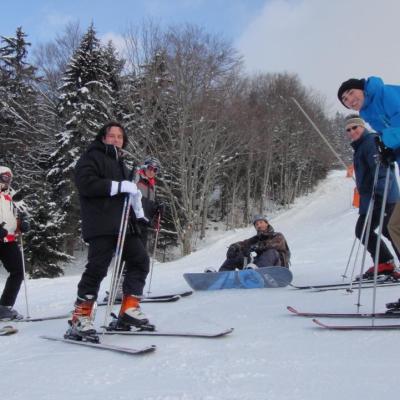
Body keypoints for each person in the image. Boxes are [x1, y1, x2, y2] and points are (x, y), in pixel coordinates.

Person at [66, 121, 151, 340]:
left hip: (125, 224)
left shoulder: (122, 162)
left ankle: (129, 309)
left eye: (120, 136)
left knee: (140, 260)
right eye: (111, 135)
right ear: (103, 138)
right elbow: (86, 184)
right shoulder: (91, 157)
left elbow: (130, 194)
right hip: (101, 223)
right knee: (97, 268)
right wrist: (117, 186)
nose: (116, 139)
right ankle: (80, 316)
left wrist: (139, 214)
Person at [344, 115, 400, 278]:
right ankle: (384, 263)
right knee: (368, 230)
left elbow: (382, 172)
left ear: (363, 127)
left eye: (355, 127)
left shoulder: (370, 142)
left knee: (386, 230)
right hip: (372, 199)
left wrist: (380, 195)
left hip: (383, 198)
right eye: (348, 130)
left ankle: (385, 263)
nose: (352, 131)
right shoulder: (361, 146)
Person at [0, 166, 29, 320]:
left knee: (18, 271)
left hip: (8, 239)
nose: (8, 180)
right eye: (4, 177)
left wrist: (23, 223)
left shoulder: (12, 194)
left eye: (9, 177)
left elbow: (22, 212)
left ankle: (4, 307)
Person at [218, 215, 290, 271]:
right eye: (256, 224)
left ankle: (255, 273)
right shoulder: (257, 239)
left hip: (278, 267)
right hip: (258, 266)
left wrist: (258, 246)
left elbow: (273, 244)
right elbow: (244, 243)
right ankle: (221, 275)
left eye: (261, 222)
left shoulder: (277, 235)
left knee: (271, 252)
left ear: (267, 223)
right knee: (237, 254)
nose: (259, 225)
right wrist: (234, 246)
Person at [136, 156, 164, 248]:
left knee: (140, 257)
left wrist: (157, 210)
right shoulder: (137, 177)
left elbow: (149, 208)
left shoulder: (152, 187)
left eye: (155, 170)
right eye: (150, 168)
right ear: (145, 167)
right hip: (132, 222)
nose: (152, 171)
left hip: (144, 225)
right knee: (133, 255)